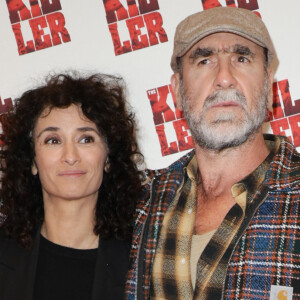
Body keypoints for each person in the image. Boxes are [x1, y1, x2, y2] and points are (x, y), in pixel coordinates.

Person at [126, 7, 300, 300]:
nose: (224, 78)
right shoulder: (141, 202)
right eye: (205, 60)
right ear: (177, 91)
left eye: (242, 58)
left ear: (269, 87)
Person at [0, 73, 143, 300]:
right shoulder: (5, 253)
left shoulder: (141, 263)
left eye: (85, 139)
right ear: (33, 161)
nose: (70, 156)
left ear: (107, 158)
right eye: (53, 140)